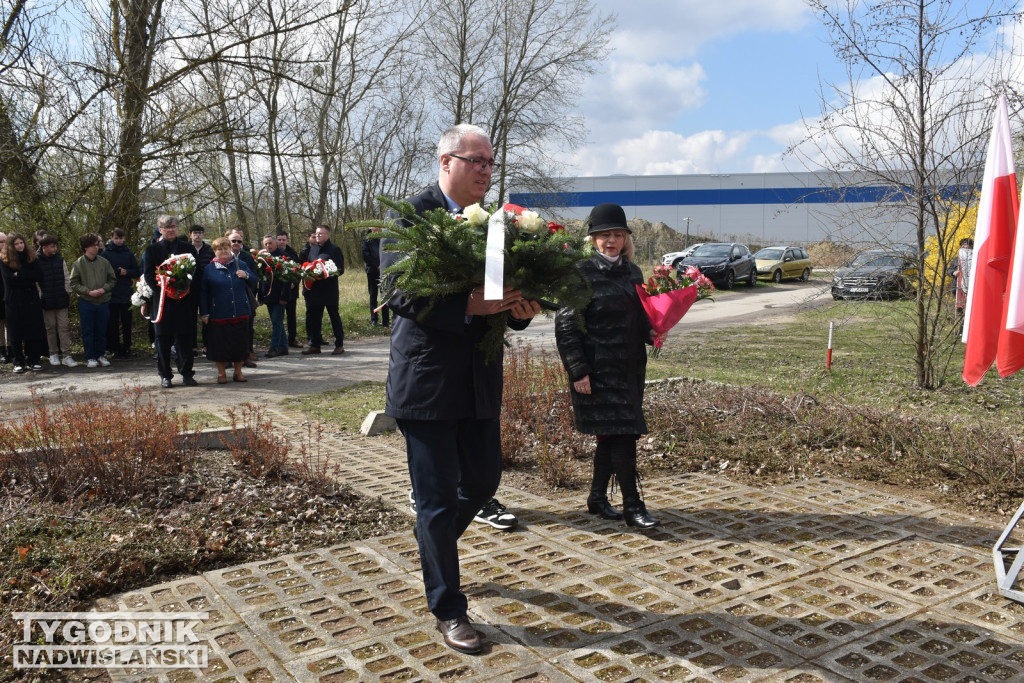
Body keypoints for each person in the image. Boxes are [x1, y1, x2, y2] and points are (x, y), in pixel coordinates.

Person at [381, 123, 541, 655]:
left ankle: (435, 545)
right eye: (477, 161)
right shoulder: (411, 216)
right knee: (434, 496)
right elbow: (398, 292)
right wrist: (466, 305)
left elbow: (499, 299)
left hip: (478, 380)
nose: (486, 172)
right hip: (427, 383)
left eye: (491, 163)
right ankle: (449, 609)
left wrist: (521, 310)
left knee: (483, 478)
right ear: (446, 161)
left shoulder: (496, 225)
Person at [555, 202, 661, 530]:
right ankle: (633, 505)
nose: (611, 240)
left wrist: (653, 330)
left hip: (630, 368)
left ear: (626, 238)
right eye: (603, 235)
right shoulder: (580, 272)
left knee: (611, 436)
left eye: (617, 234)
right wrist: (578, 371)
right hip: (598, 371)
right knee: (623, 436)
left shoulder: (633, 271)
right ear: (592, 239)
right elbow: (567, 325)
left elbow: (639, 317)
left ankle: (597, 498)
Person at [143, 215, 199, 388]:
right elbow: (149, 275)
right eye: (167, 227)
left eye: (174, 226)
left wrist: (184, 289)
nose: (171, 229)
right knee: (163, 341)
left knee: (185, 340)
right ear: (160, 230)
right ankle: (165, 375)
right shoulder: (152, 250)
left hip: (185, 301)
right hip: (163, 302)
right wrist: (167, 290)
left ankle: (187, 373)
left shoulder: (188, 248)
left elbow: (196, 272)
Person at [200, 237, 255, 383]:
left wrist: (246, 275)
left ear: (230, 249)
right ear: (214, 251)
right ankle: (221, 373)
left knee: (240, 345)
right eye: (220, 249)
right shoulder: (208, 269)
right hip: (218, 313)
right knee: (219, 346)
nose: (223, 251)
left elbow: (255, 279)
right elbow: (203, 293)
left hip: (240, 311)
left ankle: (238, 372)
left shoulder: (240, 264)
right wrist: (204, 312)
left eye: (226, 248)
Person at [0, 232, 46, 373]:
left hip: (31, 300)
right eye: (16, 244)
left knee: (32, 330)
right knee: (15, 332)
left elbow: (39, 276)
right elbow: (9, 279)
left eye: (21, 243)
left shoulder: (32, 258)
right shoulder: (4, 260)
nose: (20, 246)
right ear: (11, 246)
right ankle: (18, 361)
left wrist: (20, 273)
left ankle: (34, 360)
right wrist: (26, 278)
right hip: (13, 301)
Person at [70, 233, 117, 368]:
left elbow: (112, 279)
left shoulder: (104, 262)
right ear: (86, 247)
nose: (96, 247)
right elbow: (73, 283)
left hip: (103, 301)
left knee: (101, 330)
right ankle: (90, 357)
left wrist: (105, 288)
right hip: (86, 302)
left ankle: (100, 355)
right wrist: (88, 291)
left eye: (97, 245)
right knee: (88, 330)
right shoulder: (78, 263)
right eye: (93, 245)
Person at [299, 225, 345, 355]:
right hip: (315, 290)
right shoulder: (313, 249)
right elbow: (308, 266)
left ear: (328, 235)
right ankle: (315, 345)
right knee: (314, 317)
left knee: (334, 316)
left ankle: (339, 344)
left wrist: (326, 274)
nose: (318, 236)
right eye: (317, 234)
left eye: (321, 234)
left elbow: (341, 269)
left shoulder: (335, 250)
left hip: (329, 290)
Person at [37, 234, 77, 367]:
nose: (55, 249)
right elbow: (36, 281)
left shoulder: (60, 260)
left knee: (64, 327)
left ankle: (67, 355)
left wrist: (67, 292)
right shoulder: (36, 260)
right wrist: (40, 295)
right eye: (52, 246)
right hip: (46, 300)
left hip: (61, 299)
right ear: (44, 247)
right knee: (50, 328)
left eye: (55, 246)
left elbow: (66, 278)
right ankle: (53, 354)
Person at [101, 228, 141, 359]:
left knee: (127, 322)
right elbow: (103, 272)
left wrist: (126, 272)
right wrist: (115, 272)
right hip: (111, 293)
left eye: (121, 238)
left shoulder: (128, 253)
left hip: (126, 292)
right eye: (116, 238)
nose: (119, 241)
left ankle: (127, 347)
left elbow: (136, 271)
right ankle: (115, 348)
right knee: (113, 323)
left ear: (124, 238)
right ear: (111, 238)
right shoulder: (106, 254)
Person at [227, 228, 259, 367]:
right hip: (226, 298)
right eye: (233, 241)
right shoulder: (220, 256)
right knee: (227, 330)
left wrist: (246, 275)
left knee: (246, 328)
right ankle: (227, 358)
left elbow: (254, 277)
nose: (236, 243)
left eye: (239, 241)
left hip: (244, 297)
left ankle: (246, 354)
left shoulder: (247, 258)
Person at [259, 234, 290, 357]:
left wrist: (284, 297)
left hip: (279, 296)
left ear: (276, 243)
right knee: (276, 322)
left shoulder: (284, 257)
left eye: (270, 243)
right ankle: (283, 347)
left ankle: (274, 348)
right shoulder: (262, 257)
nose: (268, 246)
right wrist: (260, 297)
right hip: (268, 295)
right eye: (265, 244)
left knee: (276, 322)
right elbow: (261, 279)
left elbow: (287, 279)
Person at [190, 225, 215, 355]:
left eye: (200, 233)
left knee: (207, 317)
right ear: (190, 235)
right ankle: (193, 347)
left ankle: (207, 346)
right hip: (190, 288)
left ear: (203, 235)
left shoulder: (209, 250)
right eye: (195, 233)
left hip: (207, 288)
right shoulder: (187, 249)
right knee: (190, 318)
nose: (198, 235)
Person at [276, 230, 302, 348]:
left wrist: (294, 282)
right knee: (278, 316)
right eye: (279, 239)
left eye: (283, 239)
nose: (281, 242)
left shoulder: (292, 253)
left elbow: (298, 270)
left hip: (291, 290)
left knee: (291, 315)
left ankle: (292, 338)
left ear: (287, 240)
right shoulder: (272, 252)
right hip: (278, 290)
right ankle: (280, 340)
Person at [361, 228, 389, 327]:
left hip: (384, 271)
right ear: (371, 228)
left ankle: (386, 321)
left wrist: (384, 265)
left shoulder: (384, 238)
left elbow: (388, 252)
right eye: (375, 226)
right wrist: (377, 265)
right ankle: (374, 319)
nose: (377, 228)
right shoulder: (366, 239)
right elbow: (365, 255)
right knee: (373, 295)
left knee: (385, 295)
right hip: (372, 271)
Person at [0, 232, 8, 364]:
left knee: (11, 326)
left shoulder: (12, 258)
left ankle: (12, 351)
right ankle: (2, 352)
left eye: (4, 241)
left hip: (10, 296)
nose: (2, 244)